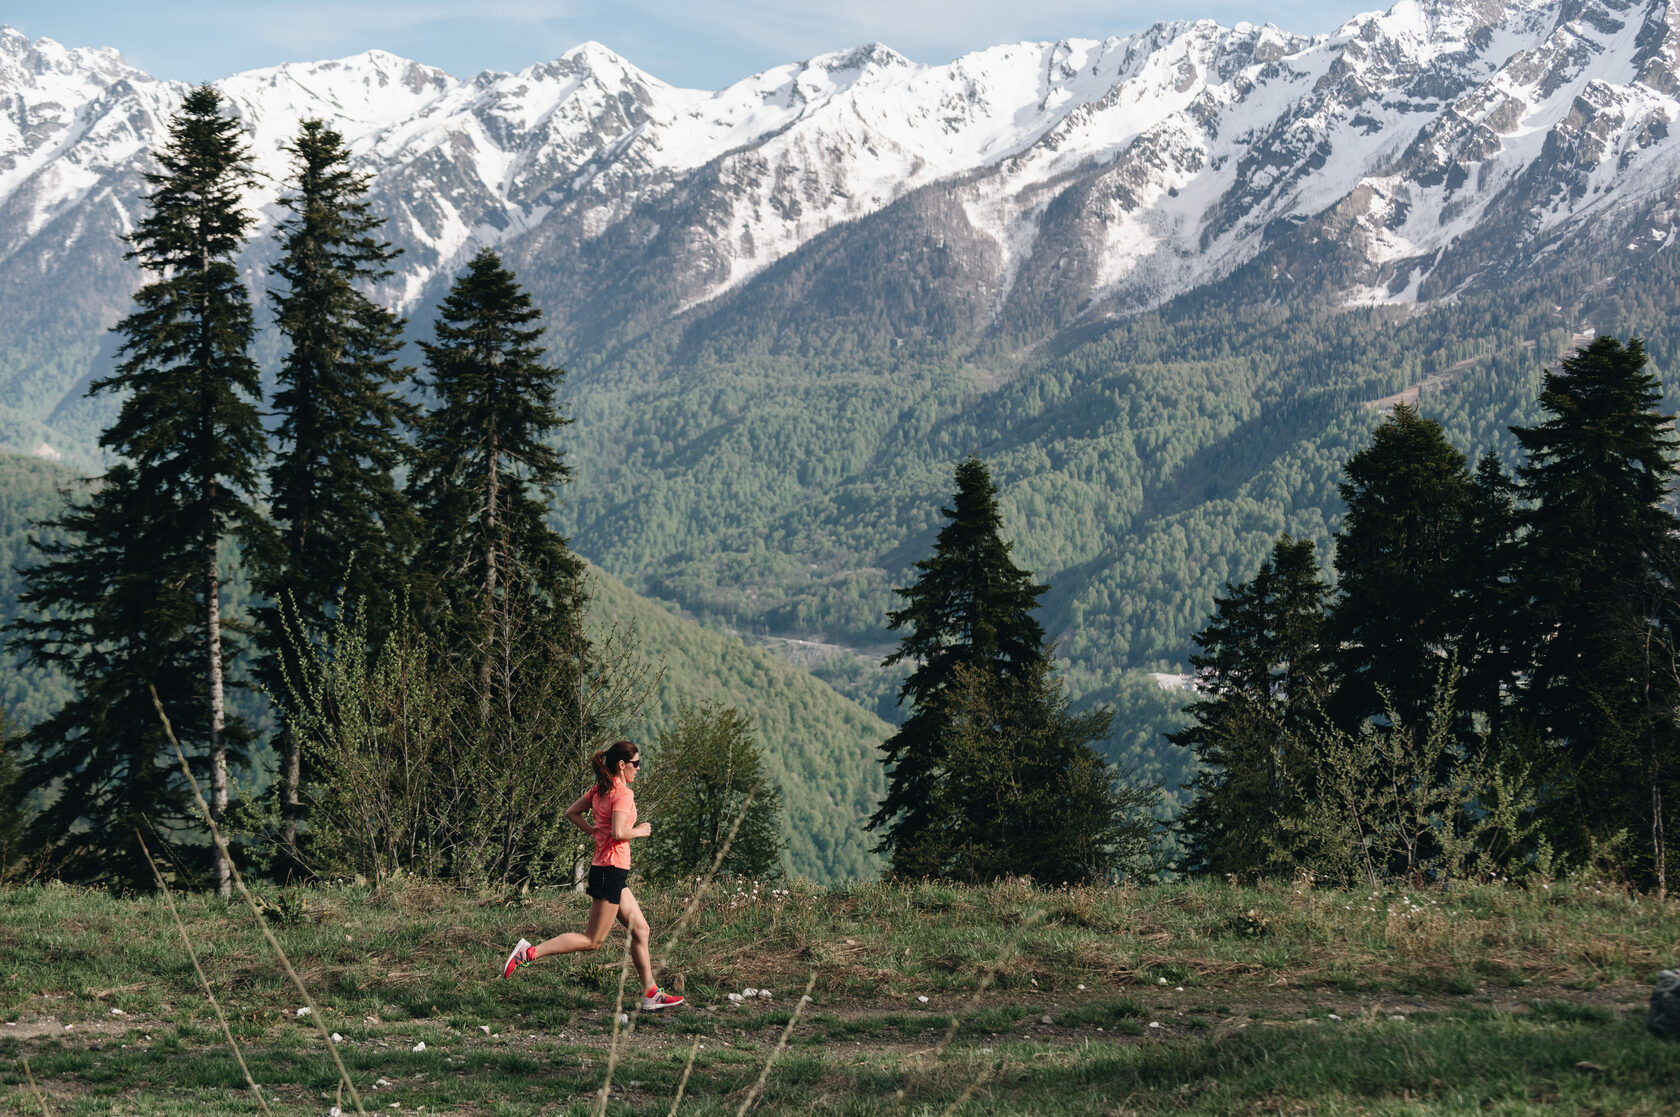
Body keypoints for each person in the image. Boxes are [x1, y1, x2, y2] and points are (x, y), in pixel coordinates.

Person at [499, 739, 685, 1011]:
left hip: (610, 870)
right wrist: (641, 831)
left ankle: (651, 993)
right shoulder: (622, 793)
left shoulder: (599, 790)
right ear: (622, 765)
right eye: (636, 764)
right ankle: (529, 952)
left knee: (641, 929)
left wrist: (594, 832)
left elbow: (572, 813)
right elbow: (619, 832)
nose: (639, 769)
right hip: (610, 870)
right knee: (592, 940)